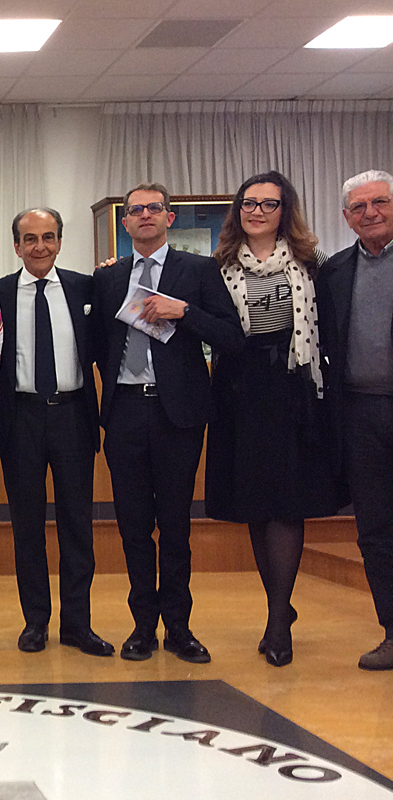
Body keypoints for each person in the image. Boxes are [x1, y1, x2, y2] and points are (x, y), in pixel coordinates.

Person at [91, 182, 244, 664]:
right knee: (133, 526)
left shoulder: (198, 270)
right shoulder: (109, 278)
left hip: (178, 413)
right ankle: (142, 627)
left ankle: (179, 627)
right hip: (125, 412)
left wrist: (185, 312)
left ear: (169, 218)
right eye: (135, 210)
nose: (145, 215)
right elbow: (96, 343)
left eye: (154, 208)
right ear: (125, 221)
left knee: (175, 526)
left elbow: (231, 336)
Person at [204, 172, 340, 668]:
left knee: (286, 504)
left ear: (286, 211)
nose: (257, 211)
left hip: (293, 390)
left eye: (268, 203)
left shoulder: (312, 263)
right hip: (238, 394)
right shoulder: (216, 266)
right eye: (249, 202)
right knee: (257, 507)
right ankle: (279, 606)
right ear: (237, 210)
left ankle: (279, 621)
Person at [0, 208, 114, 658]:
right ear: (16, 246)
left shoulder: (85, 288)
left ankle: (78, 624)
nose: (40, 246)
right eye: (30, 239)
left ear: (59, 241)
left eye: (48, 237)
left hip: (72, 416)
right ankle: (35, 622)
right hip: (19, 419)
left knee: (77, 524)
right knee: (27, 526)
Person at [317, 169, 393, 670]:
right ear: (346, 218)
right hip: (360, 415)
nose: (370, 213)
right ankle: (392, 632)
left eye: (380, 202)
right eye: (359, 207)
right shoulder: (336, 271)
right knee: (375, 530)